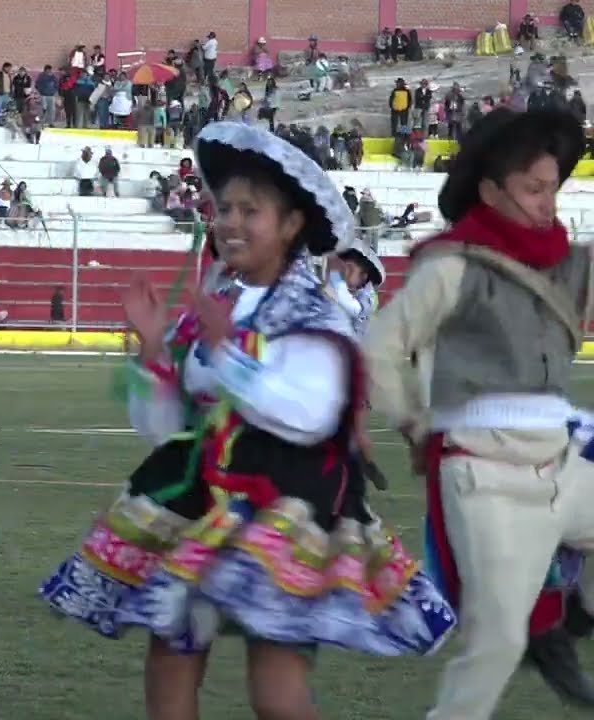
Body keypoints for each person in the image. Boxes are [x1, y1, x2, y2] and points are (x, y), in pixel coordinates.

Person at [39, 122, 455, 720]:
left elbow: (307, 416)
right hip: (202, 497)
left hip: (289, 510)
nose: (230, 222)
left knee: (276, 691)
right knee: (171, 653)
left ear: (290, 225)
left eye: (249, 210)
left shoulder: (317, 317)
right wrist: (157, 353)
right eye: (223, 208)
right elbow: (170, 430)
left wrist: (227, 356)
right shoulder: (219, 309)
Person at [363, 108, 594, 717]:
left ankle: (575, 616)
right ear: (491, 191)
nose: (548, 203)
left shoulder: (571, 262)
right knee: (497, 644)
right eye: (533, 189)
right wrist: (413, 421)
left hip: (559, 462)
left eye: (553, 189)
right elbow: (380, 346)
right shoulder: (453, 266)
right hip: (485, 475)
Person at [326, 240, 384, 337]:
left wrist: (336, 278)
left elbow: (354, 308)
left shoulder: (367, 298)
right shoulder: (330, 287)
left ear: (363, 277)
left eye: (350, 268)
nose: (342, 271)